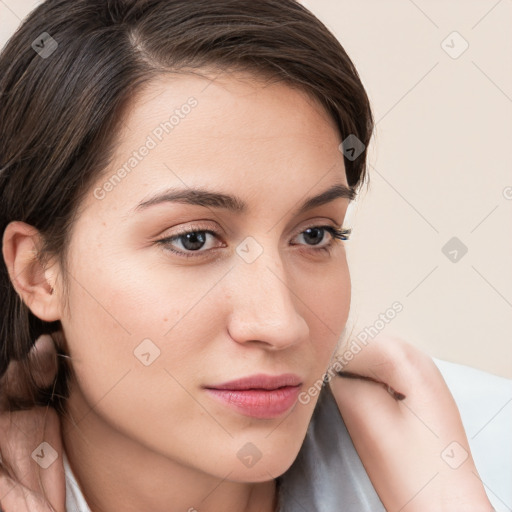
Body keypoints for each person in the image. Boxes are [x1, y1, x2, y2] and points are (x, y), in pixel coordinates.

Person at [0, 1, 495, 510]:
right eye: (193, 239)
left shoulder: (481, 452)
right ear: (38, 273)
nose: (281, 324)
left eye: (315, 234)